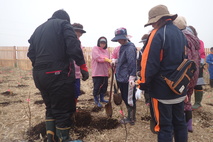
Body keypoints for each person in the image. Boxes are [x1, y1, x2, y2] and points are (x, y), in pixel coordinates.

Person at [27, 9, 89, 142]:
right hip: (57, 74)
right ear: (66, 20)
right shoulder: (64, 24)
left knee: (50, 107)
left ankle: (51, 137)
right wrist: (82, 66)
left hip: (39, 76)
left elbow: (31, 53)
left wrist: (39, 67)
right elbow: (73, 46)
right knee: (62, 109)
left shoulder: (38, 29)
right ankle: (64, 139)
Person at [138, 5, 188, 142]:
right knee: (180, 124)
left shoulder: (157, 34)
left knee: (165, 126)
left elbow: (149, 63)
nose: (153, 24)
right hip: (179, 89)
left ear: (159, 20)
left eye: (153, 22)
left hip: (162, 91)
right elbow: (185, 62)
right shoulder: (180, 33)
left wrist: (142, 84)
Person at [173, 16, 200, 132]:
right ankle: (189, 125)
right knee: (188, 98)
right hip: (194, 72)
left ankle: (180, 126)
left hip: (186, 73)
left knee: (180, 98)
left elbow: (184, 58)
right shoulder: (193, 38)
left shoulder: (181, 37)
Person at [111, 27, 137, 125]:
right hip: (121, 76)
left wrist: (132, 76)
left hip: (127, 78)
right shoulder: (123, 46)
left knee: (129, 98)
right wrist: (116, 61)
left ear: (125, 37)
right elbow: (123, 60)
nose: (118, 41)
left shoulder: (130, 47)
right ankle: (130, 116)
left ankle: (131, 118)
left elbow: (131, 63)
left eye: (120, 38)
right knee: (125, 97)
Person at [187, 25, 206, 110]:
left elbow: (201, 53)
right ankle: (188, 102)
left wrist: (200, 64)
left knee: (198, 83)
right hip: (190, 65)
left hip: (198, 64)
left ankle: (198, 103)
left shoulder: (199, 42)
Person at [91, 36, 111, 107]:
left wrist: (110, 68)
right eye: (101, 43)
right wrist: (105, 59)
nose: (102, 44)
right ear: (98, 43)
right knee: (97, 87)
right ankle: (96, 100)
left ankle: (102, 98)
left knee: (104, 86)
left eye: (104, 43)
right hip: (97, 73)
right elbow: (97, 58)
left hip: (105, 73)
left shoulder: (106, 51)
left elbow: (109, 61)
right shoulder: (95, 49)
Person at [72, 23, 86, 106]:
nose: (80, 33)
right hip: (68, 72)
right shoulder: (68, 41)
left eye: (81, 32)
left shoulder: (79, 42)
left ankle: (74, 107)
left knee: (76, 91)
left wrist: (83, 68)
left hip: (77, 73)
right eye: (78, 31)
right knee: (70, 92)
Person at [138, 34, 150, 106]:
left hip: (151, 71)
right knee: (145, 86)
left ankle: (152, 100)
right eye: (143, 42)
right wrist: (138, 71)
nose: (144, 43)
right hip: (143, 72)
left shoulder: (153, 49)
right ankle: (147, 101)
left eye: (145, 41)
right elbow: (138, 62)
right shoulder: (141, 52)